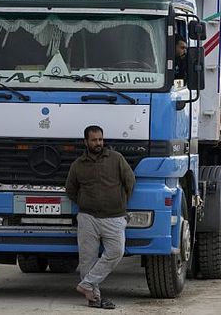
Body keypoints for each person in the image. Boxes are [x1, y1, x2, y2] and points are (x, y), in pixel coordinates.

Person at [66, 125, 135, 309]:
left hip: (114, 218)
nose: (98, 143)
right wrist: (85, 202)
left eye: (100, 139)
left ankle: (86, 284)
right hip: (88, 218)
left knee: (116, 252)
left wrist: (120, 203)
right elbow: (71, 190)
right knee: (87, 259)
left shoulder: (116, 159)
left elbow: (130, 182)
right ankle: (94, 299)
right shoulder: (78, 165)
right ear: (86, 142)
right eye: (94, 140)